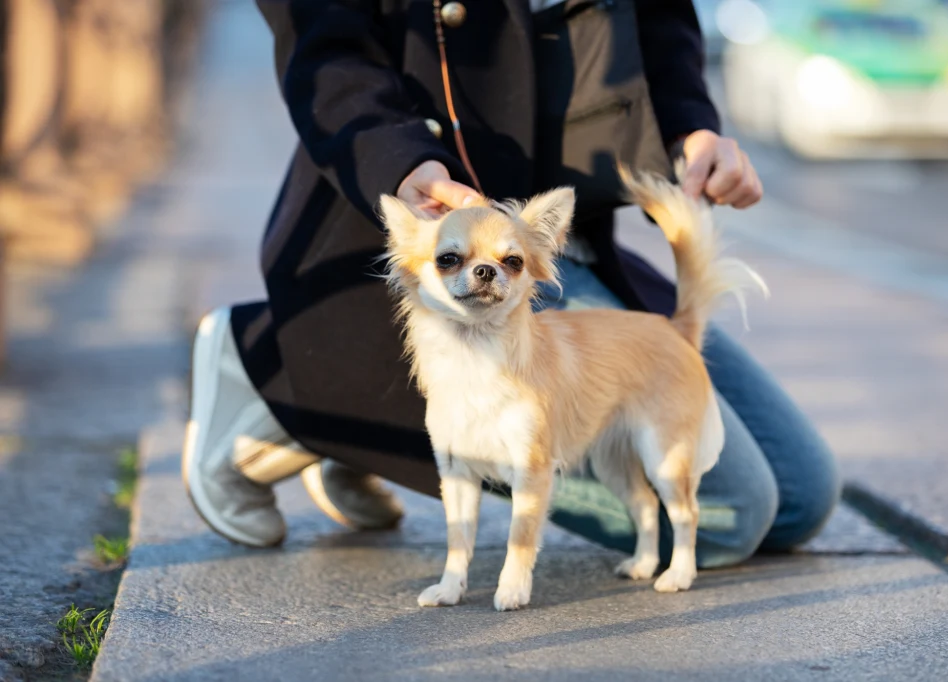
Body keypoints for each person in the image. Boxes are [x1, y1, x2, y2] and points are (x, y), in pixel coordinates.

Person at [182, 0, 839, 567]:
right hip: (424, 227)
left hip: (550, 254)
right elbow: (321, 36)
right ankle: (271, 368)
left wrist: (690, 127)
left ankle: (351, 434)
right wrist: (399, 158)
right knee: (734, 516)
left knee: (801, 497)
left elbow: (657, 15)